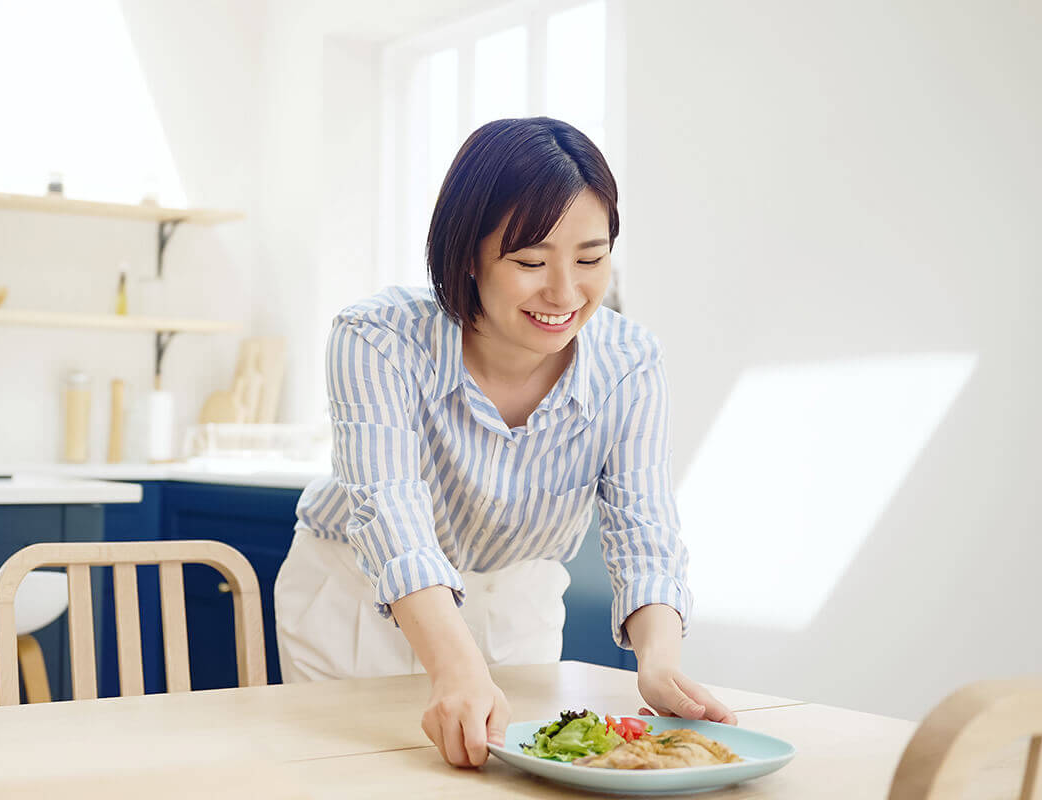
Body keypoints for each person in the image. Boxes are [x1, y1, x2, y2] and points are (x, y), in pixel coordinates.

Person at [274, 117, 735, 769]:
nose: (564, 292)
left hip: (518, 608)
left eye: (590, 258)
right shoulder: (377, 337)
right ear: (467, 253)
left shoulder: (629, 362)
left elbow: (644, 527)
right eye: (529, 261)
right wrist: (456, 667)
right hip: (360, 604)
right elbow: (391, 516)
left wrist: (659, 663)